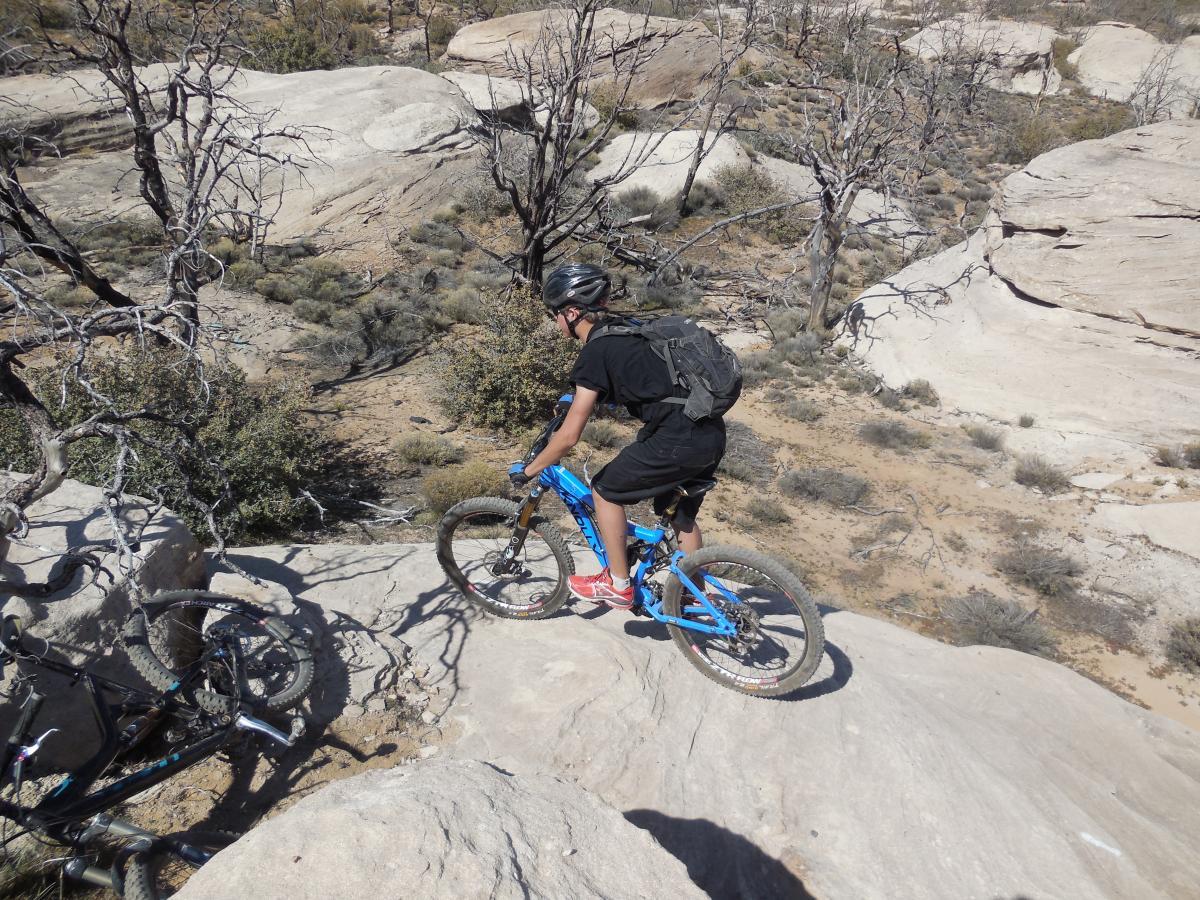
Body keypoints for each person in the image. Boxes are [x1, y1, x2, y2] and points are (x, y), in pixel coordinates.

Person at [508, 263, 727, 610]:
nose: (555, 322)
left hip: (673, 438)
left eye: (556, 314)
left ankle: (617, 583)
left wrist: (531, 469)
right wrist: (574, 399)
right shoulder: (628, 329)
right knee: (680, 514)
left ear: (573, 312)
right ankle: (694, 590)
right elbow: (636, 382)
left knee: (604, 490)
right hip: (709, 432)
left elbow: (569, 438)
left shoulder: (596, 350)